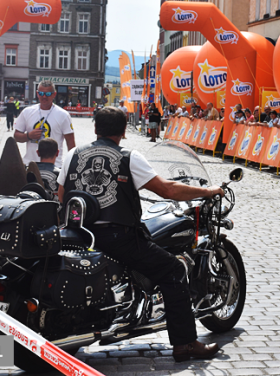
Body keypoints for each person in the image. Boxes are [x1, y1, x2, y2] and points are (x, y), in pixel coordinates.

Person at [56, 108, 223, 362]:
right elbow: (167, 190)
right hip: (118, 238)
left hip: (79, 235)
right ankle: (186, 344)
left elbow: (62, 196)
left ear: (95, 129)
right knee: (174, 270)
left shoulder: (73, 155)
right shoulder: (128, 157)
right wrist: (207, 191)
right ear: (124, 131)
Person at [14, 81, 76, 168]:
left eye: (48, 94)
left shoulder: (63, 115)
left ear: (54, 94)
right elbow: (16, 136)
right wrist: (28, 136)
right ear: (37, 93)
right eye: (41, 93)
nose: (44, 96)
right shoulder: (27, 112)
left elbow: (71, 143)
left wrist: (71, 166)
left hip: (54, 167)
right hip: (30, 165)